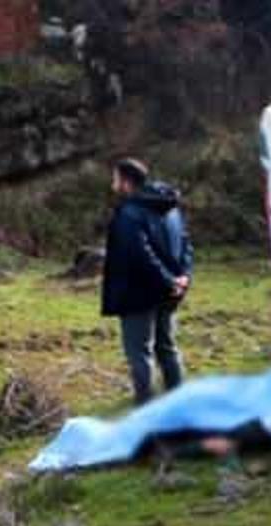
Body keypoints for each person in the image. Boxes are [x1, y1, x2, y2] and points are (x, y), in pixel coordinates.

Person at [101, 158, 190, 405]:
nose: (113, 184)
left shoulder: (129, 214)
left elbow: (140, 255)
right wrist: (182, 277)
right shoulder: (171, 207)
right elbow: (186, 245)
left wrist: (169, 281)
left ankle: (147, 411)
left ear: (127, 183)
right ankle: (179, 402)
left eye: (115, 179)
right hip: (170, 291)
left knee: (140, 353)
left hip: (138, 294)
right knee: (167, 347)